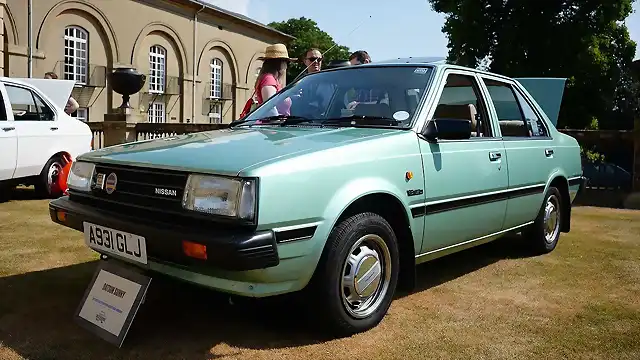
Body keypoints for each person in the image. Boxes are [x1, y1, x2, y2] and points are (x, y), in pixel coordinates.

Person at [242, 43, 296, 119]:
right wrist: (276, 125)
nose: (287, 66)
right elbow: (270, 107)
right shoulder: (269, 79)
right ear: (280, 63)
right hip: (273, 127)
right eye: (287, 62)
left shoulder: (272, 79)